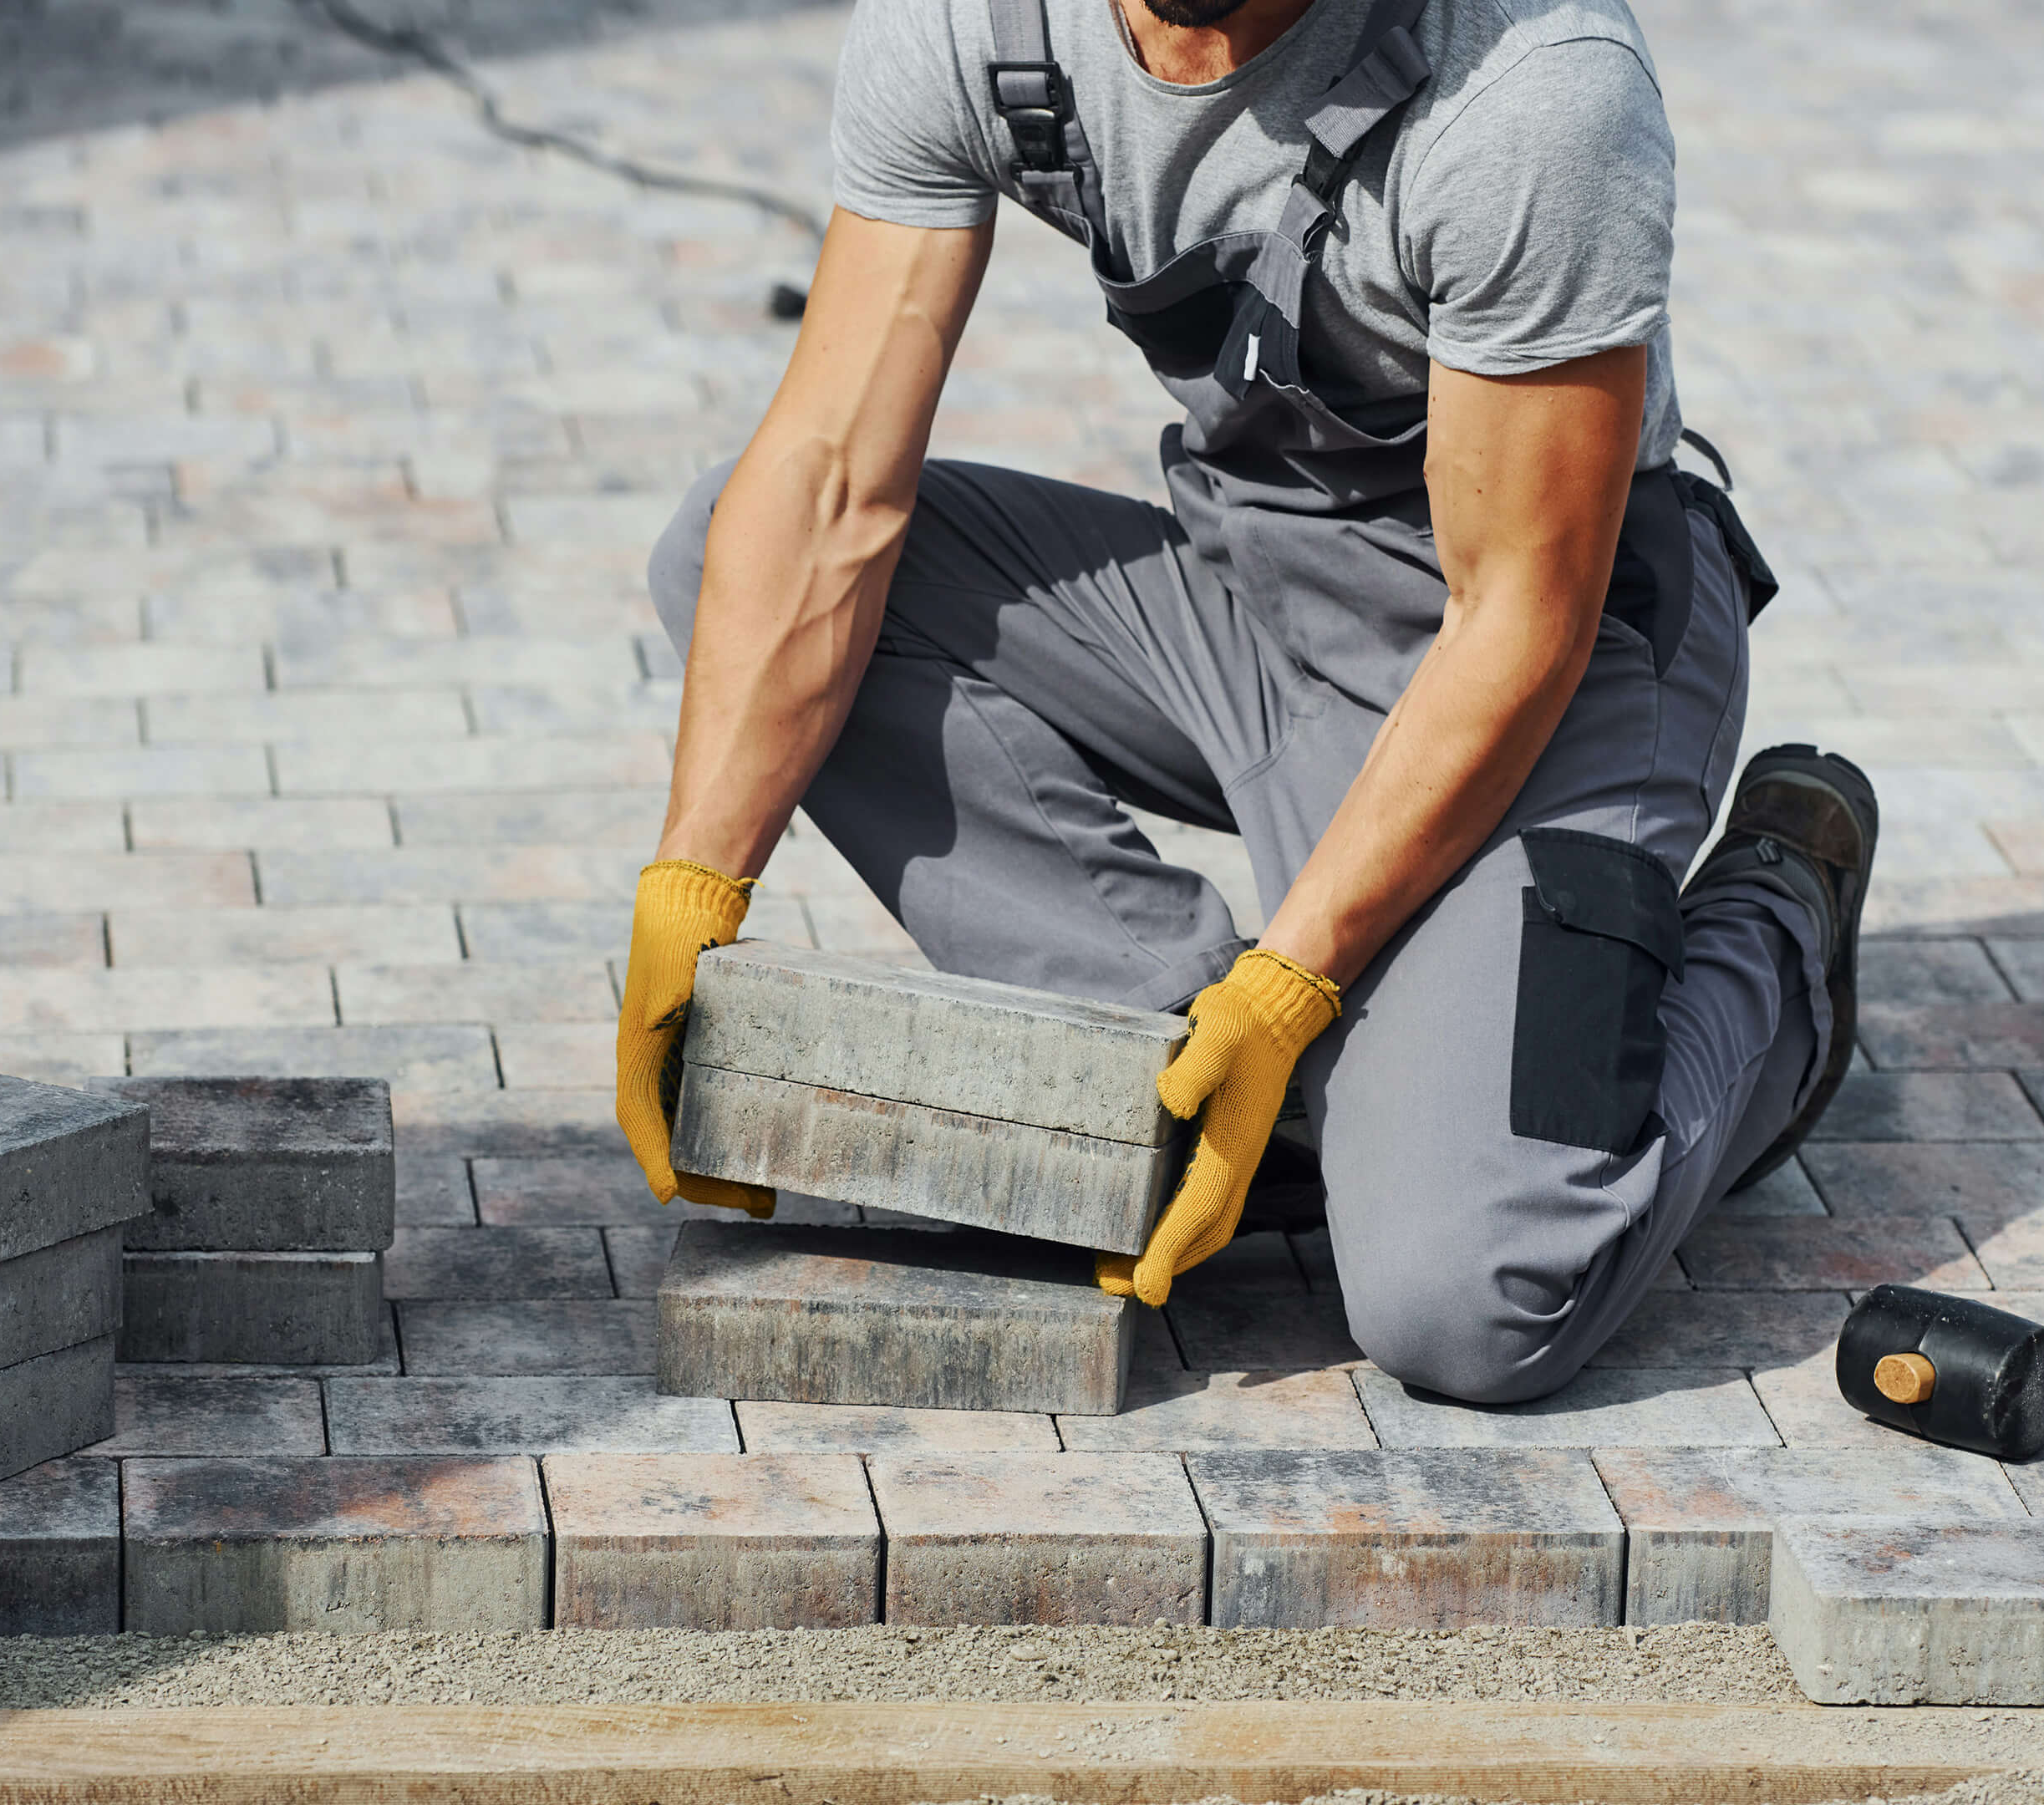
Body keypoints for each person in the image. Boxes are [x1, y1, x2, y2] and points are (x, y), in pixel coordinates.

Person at [610, 0, 1876, 1402]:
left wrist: (1290, 987)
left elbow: (1521, 616)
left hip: (1550, 671)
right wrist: (694, 882)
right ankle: (1213, 1090)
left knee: (1477, 1296)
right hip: (1259, 603)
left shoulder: (1533, 92)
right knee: (730, 550)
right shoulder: (977, 20)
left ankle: (1776, 923)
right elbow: (829, 484)